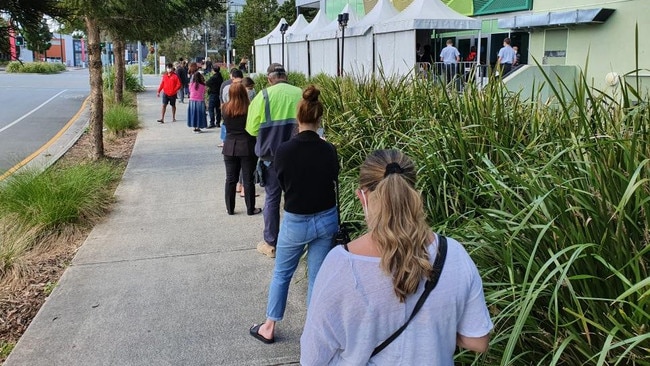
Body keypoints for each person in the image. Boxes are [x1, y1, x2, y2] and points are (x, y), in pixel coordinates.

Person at [300, 149, 493, 365]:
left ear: (362, 197)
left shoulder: (341, 265)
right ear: (414, 193)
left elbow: (312, 358)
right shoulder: (453, 254)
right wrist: (436, 326)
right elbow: (478, 341)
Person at [249, 85, 339, 344]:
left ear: (297, 118)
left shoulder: (284, 151)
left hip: (297, 219)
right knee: (317, 277)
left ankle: (269, 326)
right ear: (319, 119)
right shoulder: (329, 149)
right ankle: (313, 331)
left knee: (282, 273)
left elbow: (281, 179)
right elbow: (334, 177)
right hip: (326, 218)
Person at [245, 63, 302, 258]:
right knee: (296, 196)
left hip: (272, 159)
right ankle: (297, 240)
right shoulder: (300, 94)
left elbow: (251, 129)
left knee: (272, 198)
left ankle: (271, 243)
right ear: (286, 76)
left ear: (270, 79)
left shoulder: (263, 96)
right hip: (298, 155)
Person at [221, 82, 261, 215]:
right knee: (248, 179)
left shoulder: (225, 108)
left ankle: (230, 208)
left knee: (230, 179)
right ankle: (251, 208)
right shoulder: (249, 108)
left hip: (230, 145)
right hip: (247, 145)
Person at [219, 68, 244, 147]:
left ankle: (224, 140)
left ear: (232, 77)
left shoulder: (225, 85)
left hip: (228, 110)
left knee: (226, 125)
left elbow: (222, 98)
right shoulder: (246, 85)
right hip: (242, 111)